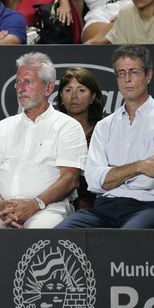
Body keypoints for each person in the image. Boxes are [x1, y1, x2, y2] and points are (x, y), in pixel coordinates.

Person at [0, 53, 87, 229]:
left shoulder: (67, 127)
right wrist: (2, 207)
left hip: (46, 208)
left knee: (38, 232)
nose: (20, 88)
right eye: (18, 82)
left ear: (48, 88)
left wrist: (34, 205)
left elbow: (70, 178)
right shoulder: (2, 127)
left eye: (28, 82)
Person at [57, 46, 154, 229]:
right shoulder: (104, 126)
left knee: (125, 238)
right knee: (62, 232)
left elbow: (149, 180)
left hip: (149, 207)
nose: (127, 79)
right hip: (104, 208)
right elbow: (93, 180)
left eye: (134, 72)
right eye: (121, 73)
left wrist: (110, 175)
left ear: (148, 76)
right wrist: (140, 166)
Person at [55, 67, 104, 209]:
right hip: (57, 201)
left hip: (95, 203)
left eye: (81, 90)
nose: (74, 96)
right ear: (61, 97)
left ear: (93, 96)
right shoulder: (52, 130)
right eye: (68, 90)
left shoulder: (103, 130)